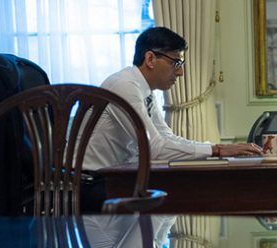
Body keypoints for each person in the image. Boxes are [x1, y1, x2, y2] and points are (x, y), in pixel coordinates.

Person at [83, 26, 262, 171]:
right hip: (88, 181)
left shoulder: (144, 90)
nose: (180, 72)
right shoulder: (124, 85)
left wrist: (217, 148)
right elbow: (154, 148)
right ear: (150, 59)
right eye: (176, 63)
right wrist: (218, 150)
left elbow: (166, 138)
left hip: (114, 176)